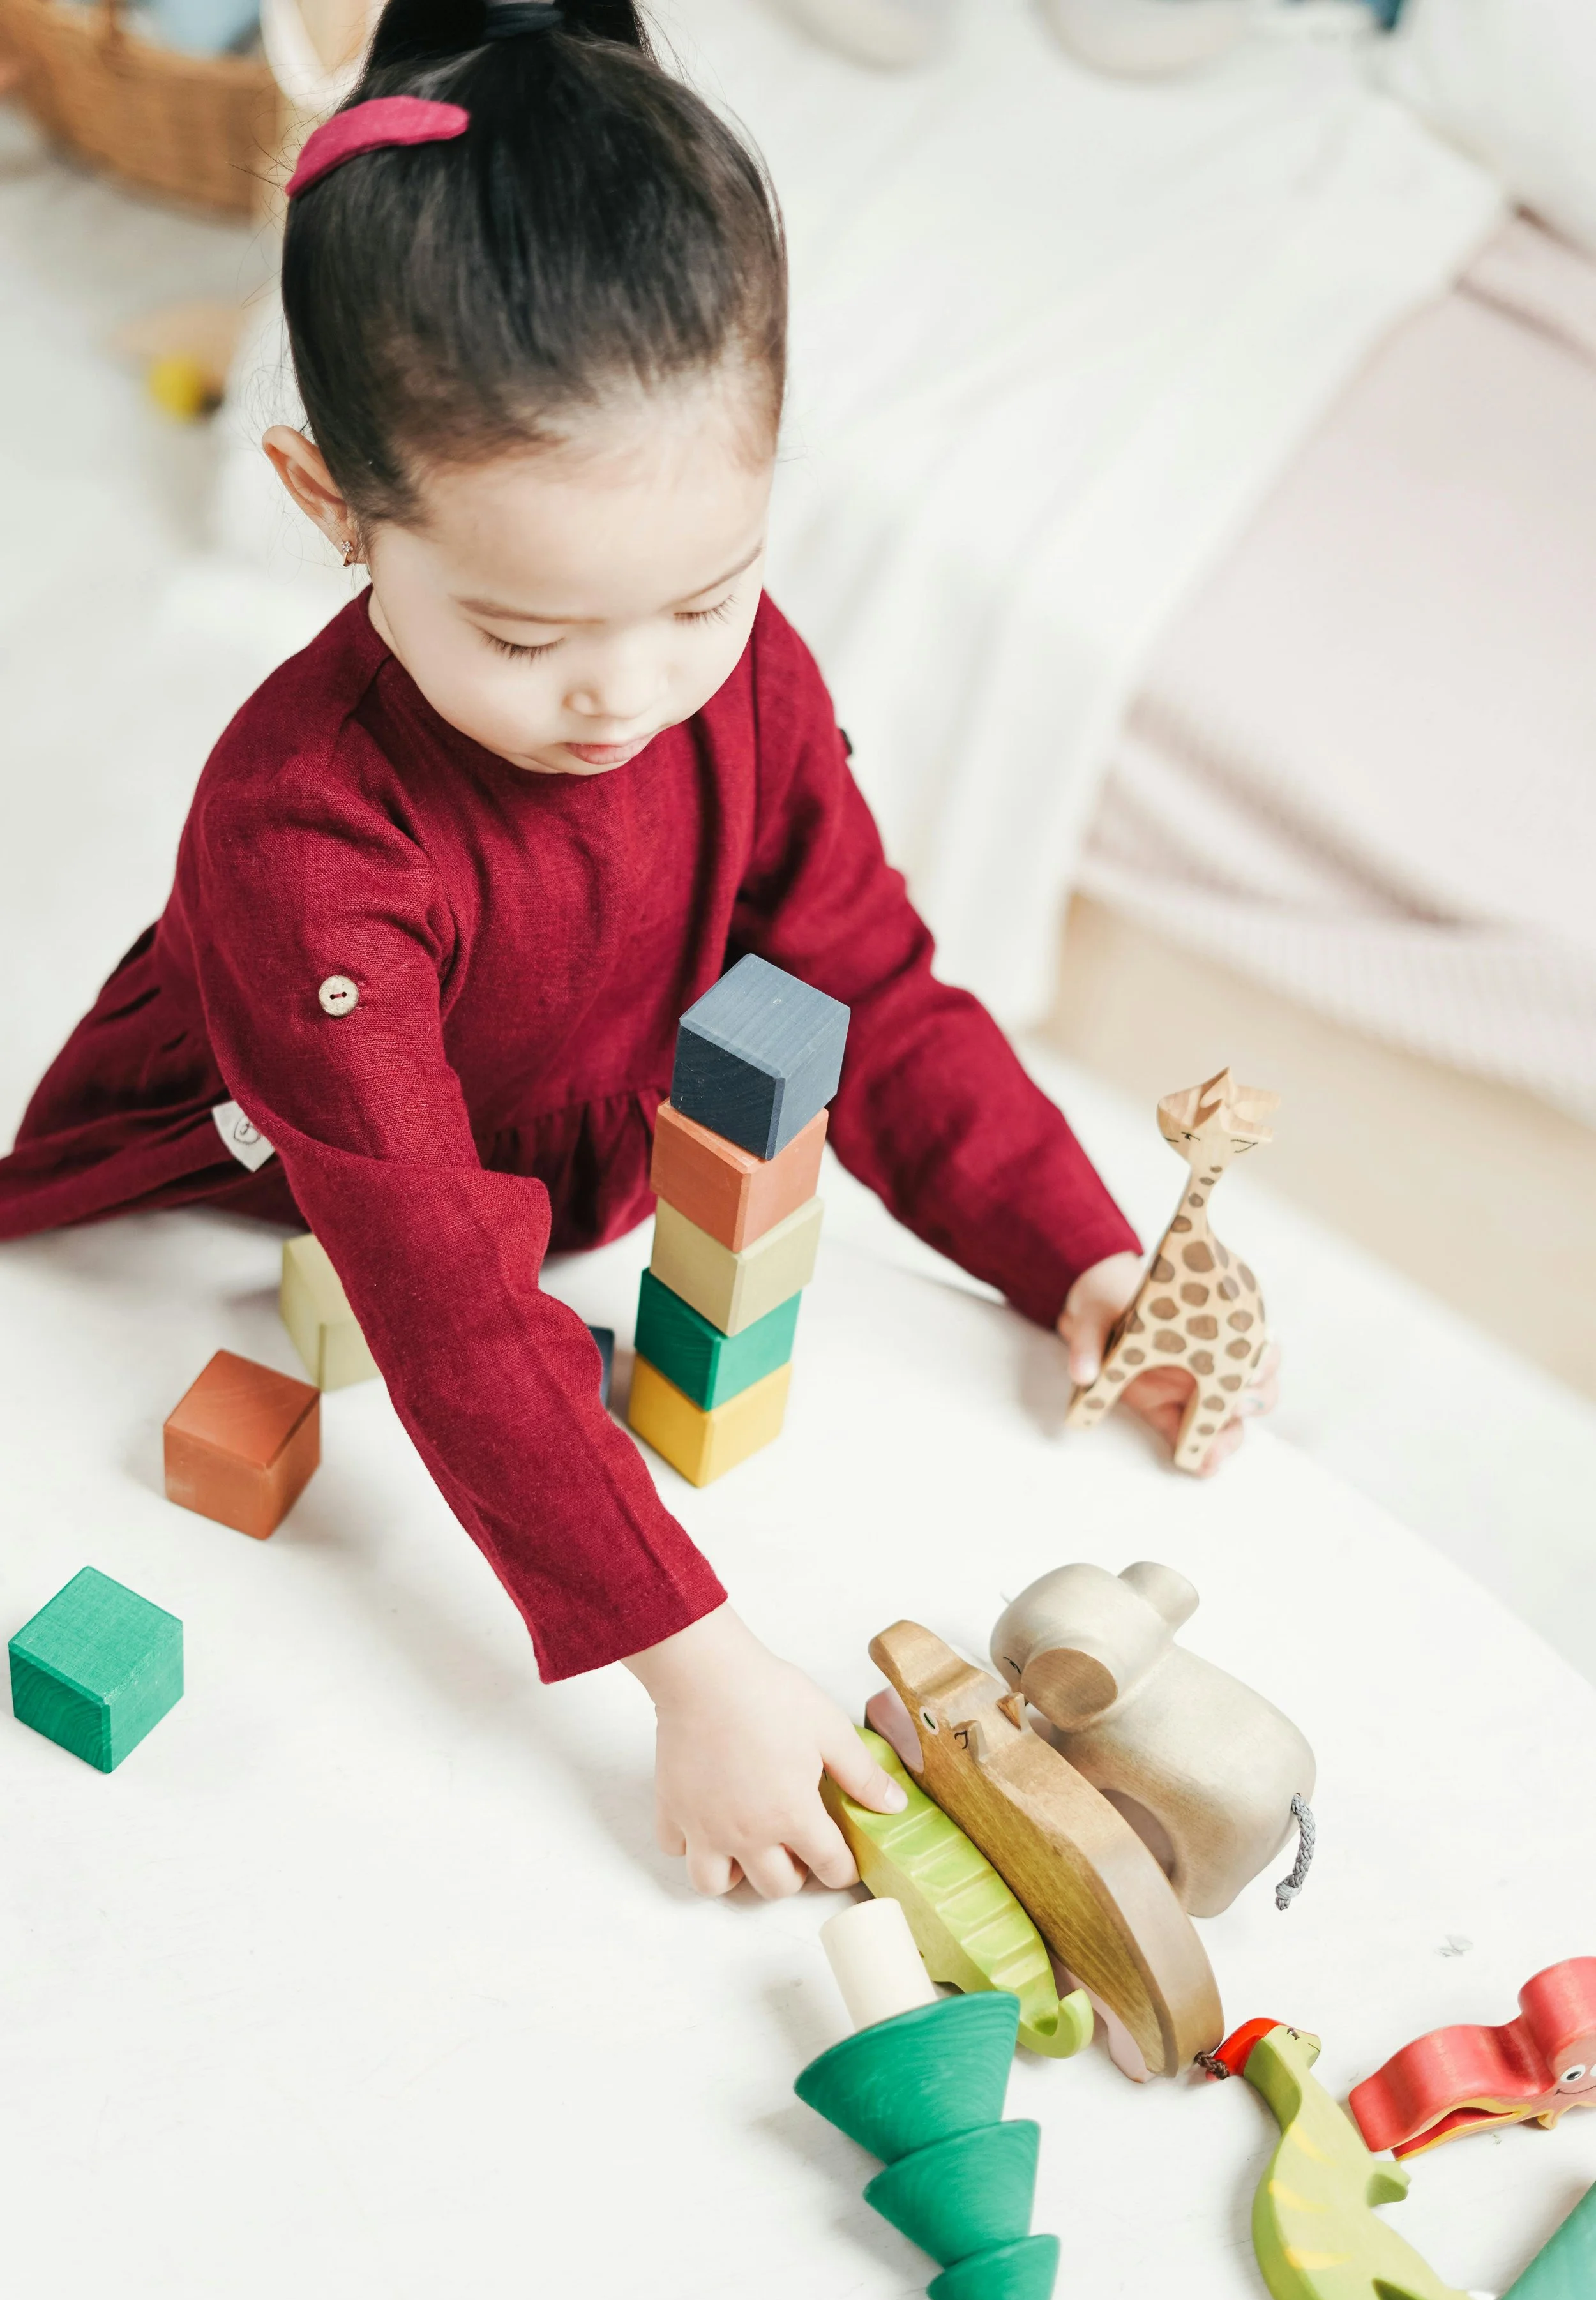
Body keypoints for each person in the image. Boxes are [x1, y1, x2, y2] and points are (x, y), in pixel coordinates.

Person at [0, 0, 1272, 1900]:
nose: (628, 694)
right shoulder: (303, 840)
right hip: (250, 1210)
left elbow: (869, 981)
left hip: (591, 1214)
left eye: (703, 590)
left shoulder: (738, 686)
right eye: (523, 638)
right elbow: (436, 1290)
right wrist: (689, 1661)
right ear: (327, 506)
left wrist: (1072, 1244)